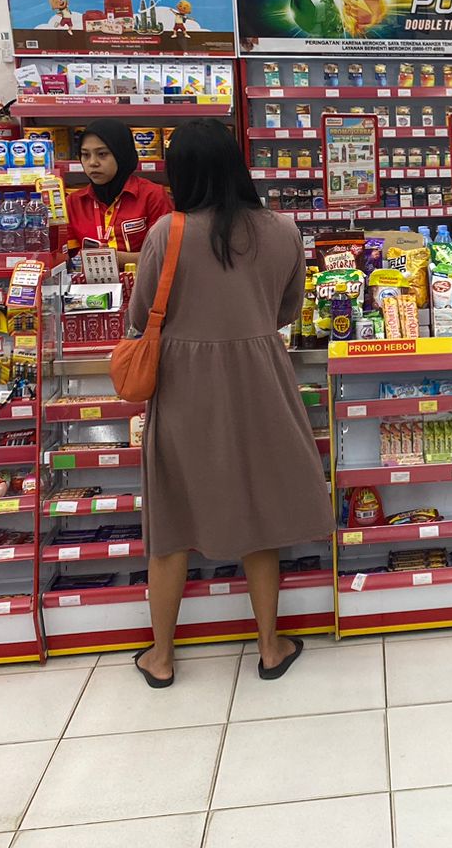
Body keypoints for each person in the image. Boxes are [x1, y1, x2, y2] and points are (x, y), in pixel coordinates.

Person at [126, 119, 331, 686]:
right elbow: (288, 310)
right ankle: (269, 647)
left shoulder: (167, 232)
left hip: (184, 386)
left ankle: (161, 657)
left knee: (171, 522)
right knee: (258, 513)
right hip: (260, 380)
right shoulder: (283, 229)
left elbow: (141, 316)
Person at [66, 119, 173, 268]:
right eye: (85, 155)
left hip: (143, 281)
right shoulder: (74, 202)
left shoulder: (152, 195)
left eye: (102, 154)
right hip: (88, 283)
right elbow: (69, 256)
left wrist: (115, 258)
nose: (92, 162)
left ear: (121, 154)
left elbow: (167, 256)